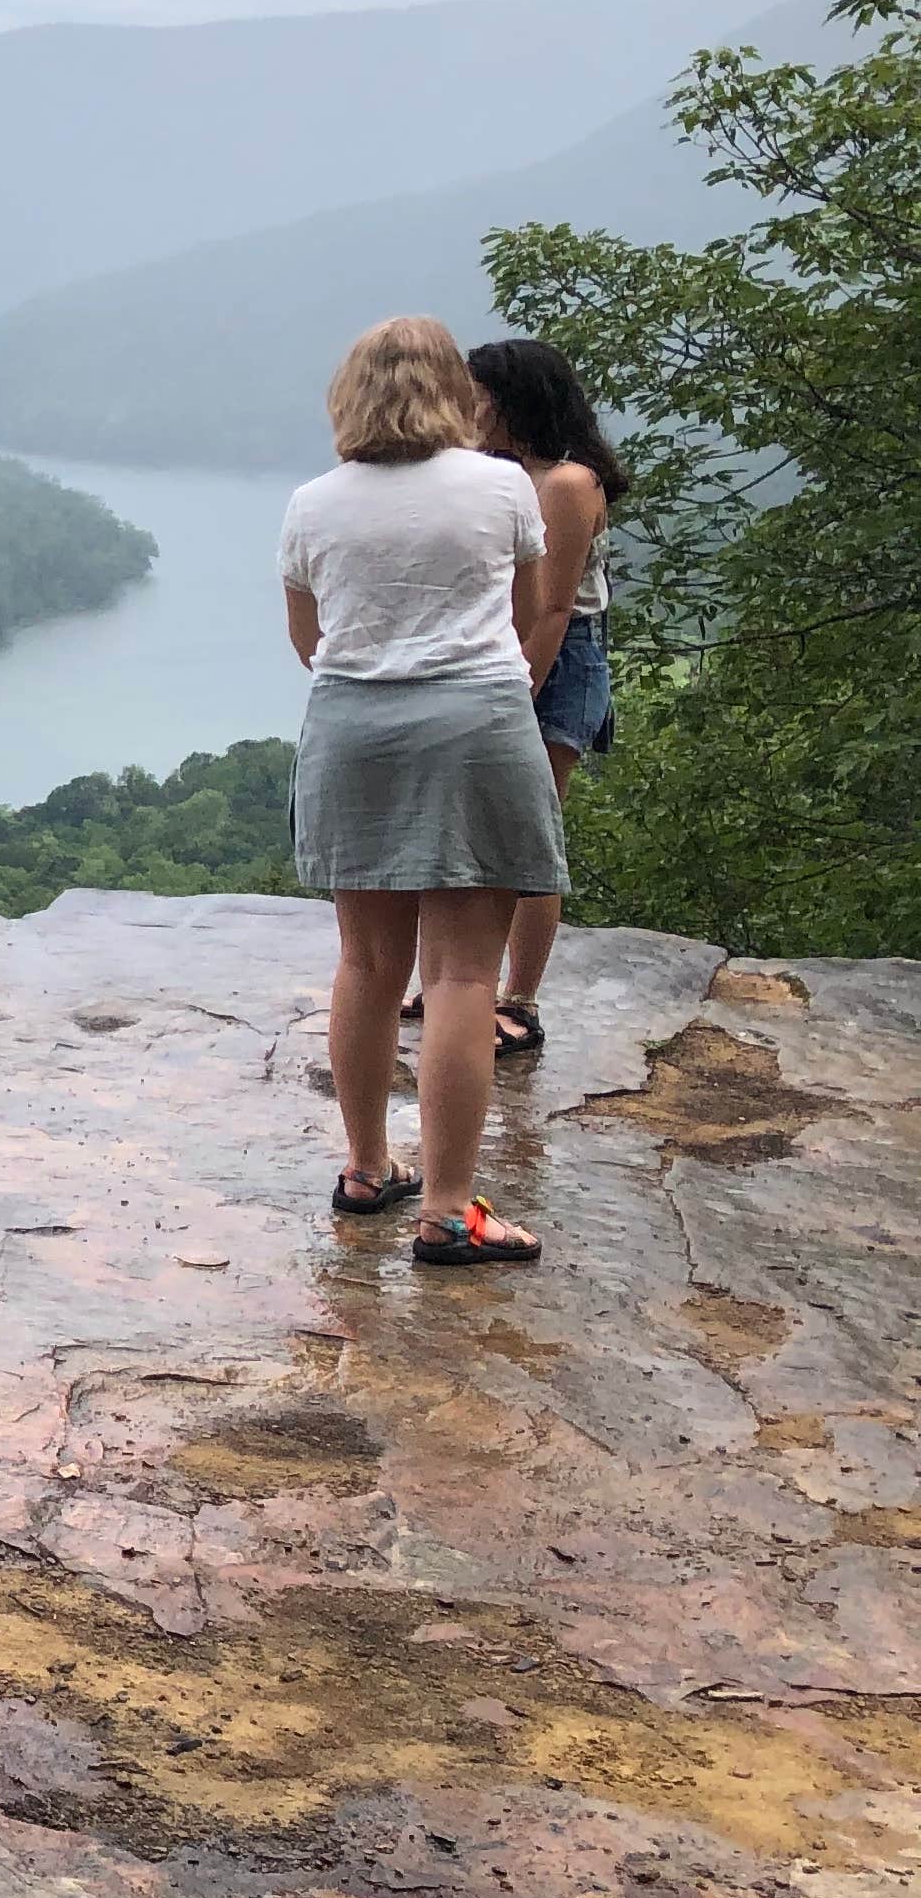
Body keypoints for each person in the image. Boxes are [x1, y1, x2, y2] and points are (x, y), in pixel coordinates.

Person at [281, 315, 565, 1265]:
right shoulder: (501, 488)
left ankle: (368, 1171)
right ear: (456, 393)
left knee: (367, 964)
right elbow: (526, 618)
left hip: (352, 726)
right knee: (462, 976)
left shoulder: (313, 502)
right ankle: (447, 1212)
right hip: (476, 723)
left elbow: (307, 639)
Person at [464, 336, 628, 1058]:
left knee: (530, 836)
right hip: (499, 651)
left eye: (476, 395)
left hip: (554, 659)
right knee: (472, 833)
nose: (465, 408)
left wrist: (515, 690)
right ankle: (458, 981)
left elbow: (554, 608)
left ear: (509, 400)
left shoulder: (565, 483)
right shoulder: (497, 475)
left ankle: (518, 1003)